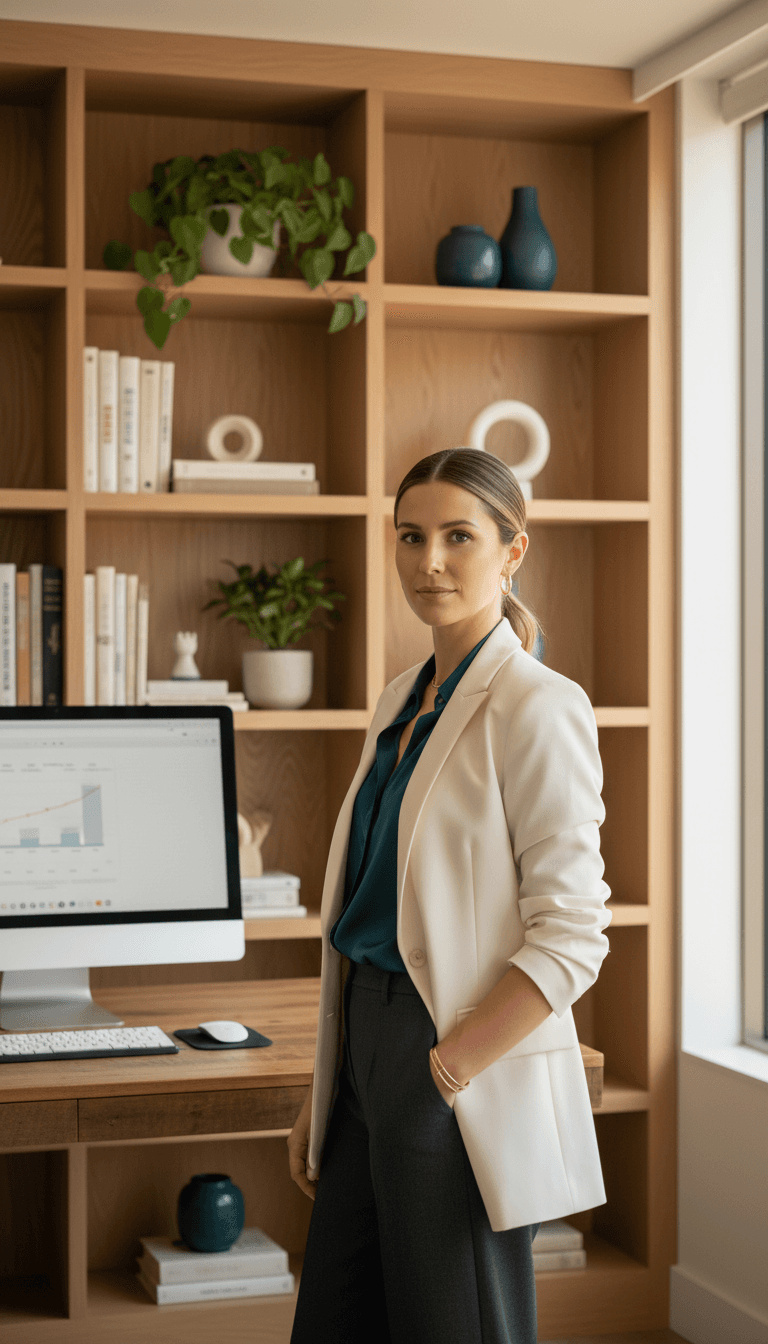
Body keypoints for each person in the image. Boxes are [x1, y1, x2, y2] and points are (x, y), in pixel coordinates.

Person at [287, 447, 612, 1343]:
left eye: (458, 537)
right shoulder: (400, 699)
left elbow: (574, 933)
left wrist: (450, 1066)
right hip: (362, 1041)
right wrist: (333, 1081)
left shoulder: (539, 705)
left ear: (512, 551)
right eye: (411, 537)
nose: (429, 561)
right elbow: (365, 910)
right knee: (337, 1320)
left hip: (450, 1048)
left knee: (454, 1322)